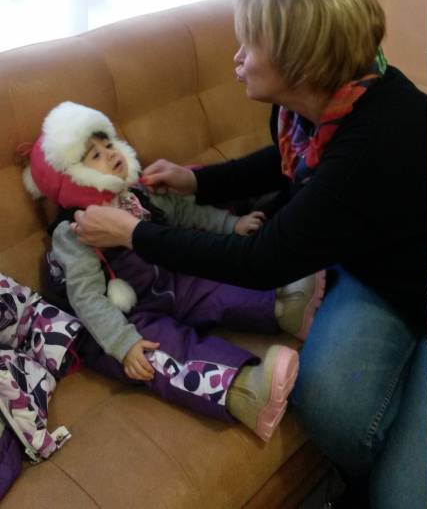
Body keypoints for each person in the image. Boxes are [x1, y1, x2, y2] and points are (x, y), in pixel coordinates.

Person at [72, 0, 427, 509]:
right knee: (332, 409)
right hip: (368, 264)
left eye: (249, 47)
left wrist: (135, 232)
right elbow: (287, 166)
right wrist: (199, 181)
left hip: (413, 283)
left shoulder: (380, 137)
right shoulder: (313, 107)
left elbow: (261, 263)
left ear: (301, 63)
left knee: (400, 497)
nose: (236, 58)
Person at [23, 100, 325, 443]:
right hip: (125, 316)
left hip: (170, 280)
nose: (109, 154)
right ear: (71, 177)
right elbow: (86, 296)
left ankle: (287, 303)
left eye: (108, 144)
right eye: (94, 155)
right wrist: (123, 343)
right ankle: (244, 389)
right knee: (159, 351)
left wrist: (231, 224)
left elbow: (185, 213)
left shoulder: (135, 192)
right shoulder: (73, 230)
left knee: (212, 282)